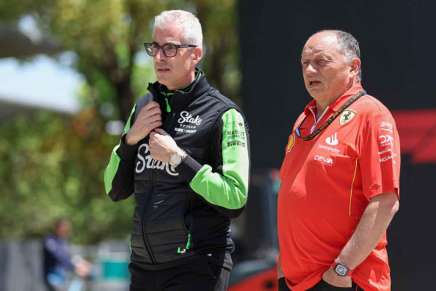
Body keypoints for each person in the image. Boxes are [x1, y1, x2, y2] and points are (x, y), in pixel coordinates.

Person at [103, 9, 250, 291]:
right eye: (154, 47)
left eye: (169, 48)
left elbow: (235, 198)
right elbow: (114, 189)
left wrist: (178, 159)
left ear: (195, 54)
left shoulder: (224, 114)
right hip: (144, 267)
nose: (158, 57)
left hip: (196, 265)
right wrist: (130, 140)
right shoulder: (143, 107)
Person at [277, 30, 400, 291]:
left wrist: (342, 268)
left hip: (343, 280)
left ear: (353, 67)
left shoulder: (371, 115)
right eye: (305, 64)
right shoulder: (304, 119)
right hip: (294, 281)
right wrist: (283, 268)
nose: (310, 71)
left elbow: (385, 202)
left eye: (321, 62)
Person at [42, 218, 92, 291]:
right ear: (57, 228)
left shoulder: (63, 241)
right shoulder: (50, 240)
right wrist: (75, 267)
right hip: (52, 276)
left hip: (63, 276)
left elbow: (69, 256)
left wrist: (81, 263)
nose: (65, 231)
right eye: (63, 229)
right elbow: (60, 257)